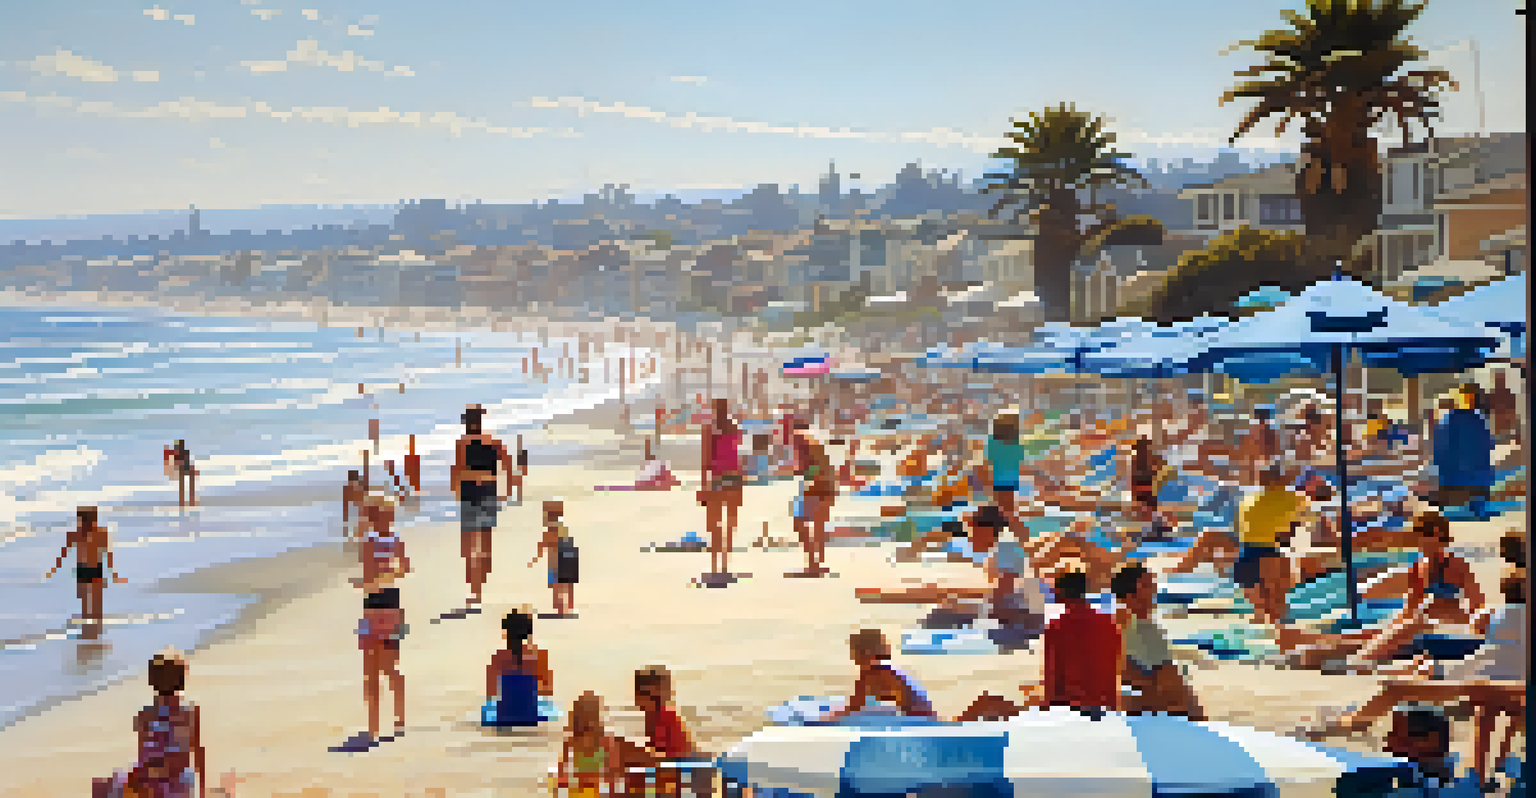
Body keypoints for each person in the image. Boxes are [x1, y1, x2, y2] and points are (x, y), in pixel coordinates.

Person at [93, 650, 206, 798]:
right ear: (182, 680)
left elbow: (143, 754)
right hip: (181, 783)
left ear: (152, 680)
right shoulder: (189, 711)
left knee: (103, 786)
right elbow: (197, 751)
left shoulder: (145, 714)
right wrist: (202, 788)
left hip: (154, 780)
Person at [346, 494, 409, 751]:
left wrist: (362, 584)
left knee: (372, 671)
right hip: (393, 604)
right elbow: (403, 569)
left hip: (374, 607)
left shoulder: (370, 543)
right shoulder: (395, 541)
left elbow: (371, 578)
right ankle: (399, 719)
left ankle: (373, 728)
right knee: (391, 666)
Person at [1110, 564, 1204, 719]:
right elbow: (1173, 687)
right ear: (1129, 595)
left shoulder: (1114, 623)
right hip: (1151, 717)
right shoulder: (1144, 630)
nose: (1154, 591)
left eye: (1153, 584)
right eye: (1147, 585)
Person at [450, 404, 517, 610]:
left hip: (470, 496)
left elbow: (458, 472)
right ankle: (481, 585)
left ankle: (475, 592)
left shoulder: (463, 443)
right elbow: (507, 462)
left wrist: (457, 489)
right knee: (485, 545)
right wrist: (504, 485)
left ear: (466, 423)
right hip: (489, 494)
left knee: (469, 548)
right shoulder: (493, 442)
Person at [1233, 466, 1306, 630]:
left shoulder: (1248, 498)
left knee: (1261, 618)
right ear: (1281, 479)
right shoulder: (1294, 498)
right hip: (1270, 554)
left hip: (1244, 558)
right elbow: (1294, 531)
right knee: (1278, 616)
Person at [1043, 570, 1121, 713]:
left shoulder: (1056, 627)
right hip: (1105, 706)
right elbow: (1114, 667)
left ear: (1060, 593)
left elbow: (1052, 675)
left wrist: (1048, 709)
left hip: (1069, 707)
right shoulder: (1109, 623)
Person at [44, 506, 127, 640]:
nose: (81, 523)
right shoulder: (76, 534)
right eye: (80, 520)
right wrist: (55, 567)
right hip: (84, 569)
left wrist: (113, 572)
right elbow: (64, 553)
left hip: (94, 569)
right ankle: (89, 631)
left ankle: (95, 632)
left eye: (82, 520)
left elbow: (107, 553)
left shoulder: (100, 533)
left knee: (95, 603)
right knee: (87, 603)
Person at [617, 666, 700, 796]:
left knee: (624, 749)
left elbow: (663, 757)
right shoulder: (654, 716)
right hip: (678, 766)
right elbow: (657, 751)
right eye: (644, 694)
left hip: (684, 767)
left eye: (652, 697)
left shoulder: (663, 715)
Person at [822, 629, 938, 721]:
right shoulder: (889, 668)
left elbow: (854, 706)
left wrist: (826, 720)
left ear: (865, 654)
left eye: (854, 653)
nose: (853, 658)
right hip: (926, 718)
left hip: (917, 722)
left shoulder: (875, 673)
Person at [483, 609, 556, 727]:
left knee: (485, 711)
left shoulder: (498, 658)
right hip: (530, 716)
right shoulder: (539, 656)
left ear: (506, 633)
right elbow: (548, 690)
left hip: (504, 716)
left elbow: (491, 693)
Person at [699, 398, 745, 577]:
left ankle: (714, 565)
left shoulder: (709, 428)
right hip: (735, 478)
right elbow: (736, 453)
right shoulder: (734, 427)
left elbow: (706, 460)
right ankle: (725, 563)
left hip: (718, 478)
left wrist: (704, 486)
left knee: (714, 523)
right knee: (730, 522)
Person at [1431, 384, 1495, 509]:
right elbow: (1487, 449)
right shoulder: (1478, 420)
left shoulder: (1453, 419)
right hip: (1473, 486)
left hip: (1458, 485)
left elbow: (1440, 452)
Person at [789, 422, 837, 577]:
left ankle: (812, 564)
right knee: (817, 525)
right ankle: (817, 561)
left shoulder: (801, 439)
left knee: (800, 523)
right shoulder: (816, 439)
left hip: (815, 486)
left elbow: (806, 468)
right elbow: (825, 466)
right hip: (826, 487)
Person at [555, 692, 623, 798]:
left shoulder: (604, 739)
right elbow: (563, 765)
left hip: (596, 788)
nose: (588, 722)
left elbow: (613, 768)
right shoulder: (573, 739)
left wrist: (613, 788)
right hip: (581, 788)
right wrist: (561, 782)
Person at [530, 499, 578, 617]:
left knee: (556, 585)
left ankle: (560, 607)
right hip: (569, 557)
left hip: (557, 560)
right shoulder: (562, 529)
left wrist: (535, 558)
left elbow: (543, 545)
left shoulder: (550, 531)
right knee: (567, 584)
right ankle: (569, 605)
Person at [982, 414, 1027, 536]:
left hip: (997, 479)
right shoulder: (1016, 445)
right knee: (1008, 508)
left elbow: (988, 460)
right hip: (1011, 479)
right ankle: (1011, 531)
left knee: (1000, 508)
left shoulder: (992, 443)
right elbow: (1020, 461)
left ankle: (1005, 531)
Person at [1485, 370, 1519, 445]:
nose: (1499, 382)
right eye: (1498, 379)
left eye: (1500, 379)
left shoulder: (1509, 395)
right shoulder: (1491, 396)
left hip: (1506, 433)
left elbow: (1513, 415)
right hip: (1496, 433)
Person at [164, 441, 198, 508]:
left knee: (186, 483)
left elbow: (186, 462)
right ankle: (185, 501)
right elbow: (172, 461)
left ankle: (189, 500)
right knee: (183, 484)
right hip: (180, 470)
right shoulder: (176, 453)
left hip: (183, 469)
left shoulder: (183, 452)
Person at [341, 470, 366, 541]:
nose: (353, 484)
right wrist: (345, 521)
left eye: (354, 482)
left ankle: (360, 538)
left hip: (360, 508)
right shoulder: (347, 489)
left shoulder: (360, 488)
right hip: (354, 509)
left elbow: (363, 504)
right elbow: (345, 506)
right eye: (351, 482)